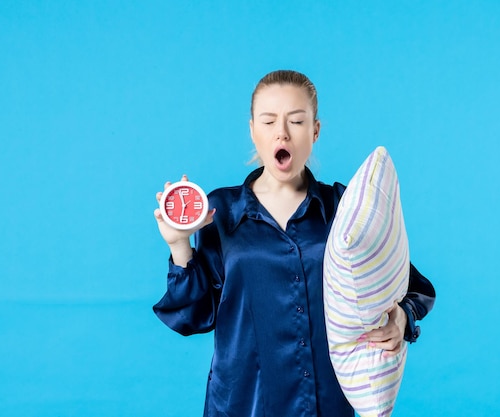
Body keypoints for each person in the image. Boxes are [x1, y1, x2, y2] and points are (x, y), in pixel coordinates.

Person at [153, 70, 436, 417]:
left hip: (326, 404)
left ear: (315, 130)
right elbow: (194, 316)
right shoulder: (220, 211)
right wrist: (179, 245)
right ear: (253, 130)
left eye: (296, 121)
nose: (282, 133)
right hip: (244, 404)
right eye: (269, 121)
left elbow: (409, 283)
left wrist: (401, 319)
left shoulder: (343, 208)